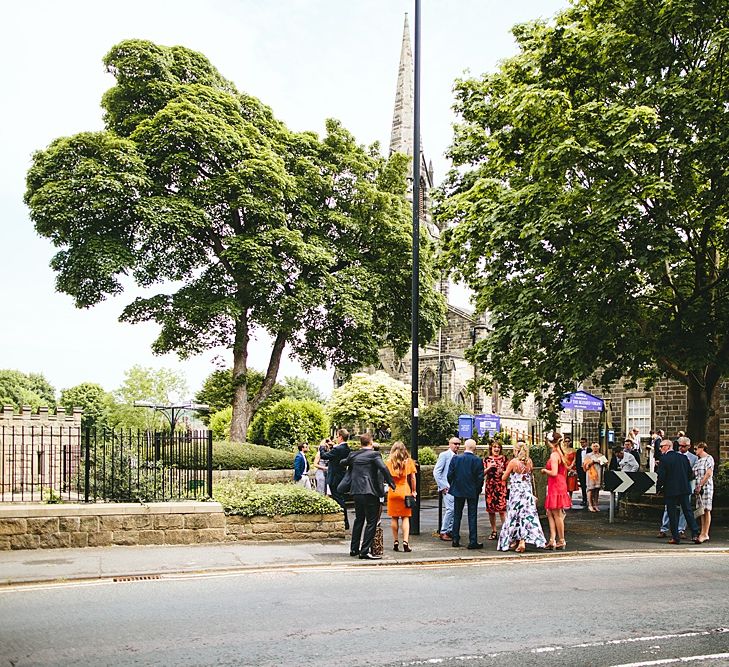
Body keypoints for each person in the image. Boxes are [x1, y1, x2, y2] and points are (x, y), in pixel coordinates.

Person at [344, 432, 395, 560]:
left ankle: (354, 549)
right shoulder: (374, 455)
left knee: (359, 519)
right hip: (369, 492)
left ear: (361, 443)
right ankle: (364, 551)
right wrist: (391, 483)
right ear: (371, 442)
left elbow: (343, 461)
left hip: (356, 491)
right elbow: (383, 468)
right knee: (371, 522)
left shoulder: (353, 455)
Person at [497, 441, 546, 553]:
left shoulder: (513, 462)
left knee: (514, 517)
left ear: (516, 450)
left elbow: (504, 478)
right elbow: (530, 477)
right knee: (526, 517)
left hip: (516, 494)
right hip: (527, 493)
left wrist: (502, 472)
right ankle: (521, 541)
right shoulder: (529, 462)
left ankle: (514, 540)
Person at [656, 439, 700, 544]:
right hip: (684, 488)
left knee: (672, 513)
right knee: (688, 511)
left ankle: (676, 537)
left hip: (671, 490)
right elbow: (690, 474)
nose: (660, 449)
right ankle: (695, 534)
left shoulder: (664, 459)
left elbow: (661, 476)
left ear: (668, 446)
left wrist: (658, 488)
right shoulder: (683, 458)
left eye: (662, 446)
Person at [447, 438, 485, 549]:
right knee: (472, 516)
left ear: (465, 446)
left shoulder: (456, 458)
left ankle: (455, 539)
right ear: (475, 448)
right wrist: (477, 489)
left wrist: (454, 485)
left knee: (457, 515)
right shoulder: (477, 460)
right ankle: (472, 541)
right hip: (472, 491)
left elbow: (450, 475)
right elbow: (480, 478)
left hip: (458, 490)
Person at [385, 440, 418, 552]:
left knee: (394, 517)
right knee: (405, 517)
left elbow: (386, 478)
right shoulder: (408, 462)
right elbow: (413, 478)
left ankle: (395, 541)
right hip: (404, 491)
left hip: (393, 491)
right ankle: (405, 541)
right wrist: (414, 491)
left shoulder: (389, 462)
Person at [542, 432, 572, 549]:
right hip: (559, 483)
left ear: (550, 442)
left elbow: (554, 472)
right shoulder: (560, 453)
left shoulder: (554, 455)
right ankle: (552, 539)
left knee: (557, 514)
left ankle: (561, 540)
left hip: (556, 485)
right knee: (550, 512)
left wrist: (545, 471)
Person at [321, 428, 351, 529]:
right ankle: (344, 521)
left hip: (334, 477)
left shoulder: (338, 449)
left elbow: (324, 456)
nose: (336, 438)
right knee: (340, 498)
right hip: (341, 476)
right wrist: (331, 446)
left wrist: (321, 446)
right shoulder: (347, 448)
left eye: (337, 436)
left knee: (338, 499)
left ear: (341, 437)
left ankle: (344, 521)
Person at [433, 436, 460, 540]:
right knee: (450, 509)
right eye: (455, 443)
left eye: (458, 444)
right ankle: (443, 531)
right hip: (447, 488)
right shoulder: (444, 455)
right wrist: (443, 486)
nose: (457, 446)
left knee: (454, 510)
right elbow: (436, 472)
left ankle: (449, 531)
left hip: (455, 487)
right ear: (449, 444)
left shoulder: (458, 456)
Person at [484, 440, 507, 540]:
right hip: (490, 486)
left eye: (498, 447)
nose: (496, 449)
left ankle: (506, 531)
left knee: (502, 510)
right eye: (494, 447)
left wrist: (503, 471)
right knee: (491, 510)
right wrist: (489, 468)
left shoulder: (504, 459)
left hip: (501, 485)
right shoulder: (486, 460)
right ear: (491, 449)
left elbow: (509, 471)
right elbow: (482, 473)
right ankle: (494, 531)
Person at [693, 442, 715, 543]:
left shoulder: (708, 458)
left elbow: (708, 473)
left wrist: (701, 485)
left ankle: (705, 533)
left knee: (706, 510)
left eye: (696, 448)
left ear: (701, 448)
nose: (694, 450)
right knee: (701, 511)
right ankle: (703, 532)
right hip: (698, 488)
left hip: (706, 487)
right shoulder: (698, 461)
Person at [582, 442, 605, 512]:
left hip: (599, 473)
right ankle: (590, 505)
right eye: (594, 446)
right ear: (591, 447)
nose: (595, 447)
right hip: (590, 474)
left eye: (596, 446)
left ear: (599, 447)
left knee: (597, 489)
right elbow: (585, 466)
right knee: (590, 489)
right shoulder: (588, 455)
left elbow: (605, 463)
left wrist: (599, 461)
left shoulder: (601, 455)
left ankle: (595, 504)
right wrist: (591, 462)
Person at [575, 437, 589, 508]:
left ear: (586, 443)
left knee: (589, 485)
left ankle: (590, 500)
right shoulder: (578, 451)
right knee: (583, 485)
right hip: (581, 469)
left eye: (583, 442)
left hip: (588, 469)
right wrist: (577, 470)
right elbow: (577, 461)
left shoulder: (590, 450)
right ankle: (584, 499)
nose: (582, 444)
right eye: (581, 442)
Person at [564, 438, 579, 504]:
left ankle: (570, 499)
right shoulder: (562, 450)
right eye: (566, 441)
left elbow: (575, 459)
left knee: (571, 484)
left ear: (570, 442)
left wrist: (571, 466)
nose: (567, 442)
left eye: (568, 441)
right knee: (564, 483)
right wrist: (567, 467)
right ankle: (564, 499)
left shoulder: (573, 450)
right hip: (564, 468)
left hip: (572, 468)